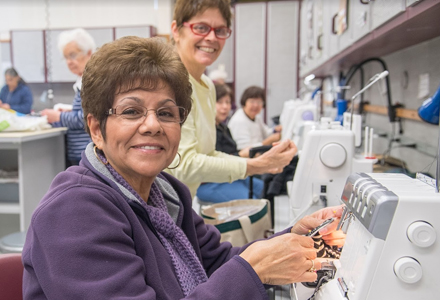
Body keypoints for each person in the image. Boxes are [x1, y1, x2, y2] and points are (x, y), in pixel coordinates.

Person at [22, 36, 345, 300]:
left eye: (166, 113)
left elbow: (216, 262)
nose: (152, 125)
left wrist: (296, 239)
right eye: (132, 111)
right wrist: (254, 270)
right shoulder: (73, 211)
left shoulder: (165, 191)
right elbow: (239, 272)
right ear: (96, 129)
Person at [168, 0, 296, 198]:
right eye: (201, 28)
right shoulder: (168, 82)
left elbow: (207, 155)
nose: (211, 37)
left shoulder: (208, 86)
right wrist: (255, 165)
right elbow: (181, 163)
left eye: (220, 30)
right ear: (176, 30)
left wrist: (258, 163)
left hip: (182, 200)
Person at [196, 83, 264, 203]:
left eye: (227, 102)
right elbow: (214, 163)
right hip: (211, 182)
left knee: (263, 188)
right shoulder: (205, 130)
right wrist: (242, 155)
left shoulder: (224, 128)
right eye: (220, 102)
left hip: (228, 176)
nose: (225, 107)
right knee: (252, 202)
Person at [41, 28, 95, 166]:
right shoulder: (81, 81)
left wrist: (58, 117)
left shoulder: (91, 82)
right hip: (80, 152)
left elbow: (87, 118)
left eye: (73, 55)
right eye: (66, 57)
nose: (69, 62)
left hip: (86, 153)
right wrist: (69, 112)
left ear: (88, 53)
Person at [228, 85, 282, 150]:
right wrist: (267, 142)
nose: (256, 105)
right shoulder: (239, 121)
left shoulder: (257, 117)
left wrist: (275, 130)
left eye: (259, 102)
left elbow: (265, 133)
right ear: (244, 102)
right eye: (252, 102)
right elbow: (243, 149)